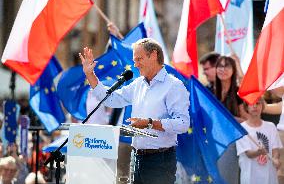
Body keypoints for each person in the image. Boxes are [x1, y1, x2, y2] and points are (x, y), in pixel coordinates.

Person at [80, 38, 190, 184]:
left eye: (139, 59)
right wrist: (90, 74)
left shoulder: (174, 86)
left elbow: (183, 123)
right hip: (136, 158)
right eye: (134, 60)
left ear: (154, 55)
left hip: (160, 160)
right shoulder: (138, 84)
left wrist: (149, 123)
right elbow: (110, 99)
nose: (135, 65)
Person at [214, 56, 248, 184]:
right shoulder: (210, 91)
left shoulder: (238, 93)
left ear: (233, 70)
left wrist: (228, 118)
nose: (223, 69)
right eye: (220, 66)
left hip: (234, 141)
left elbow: (247, 120)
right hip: (216, 141)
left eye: (227, 66)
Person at [236, 98, 282, 184]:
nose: (255, 106)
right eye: (251, 104)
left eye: (258, 103)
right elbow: (248, 154)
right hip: (251, 177)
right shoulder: (241, 129)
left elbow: (275, 149)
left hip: (269, 177)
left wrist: (276, 159)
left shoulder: (271, 126)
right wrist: (258, 152)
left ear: (262, 106)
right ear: (246, 107)